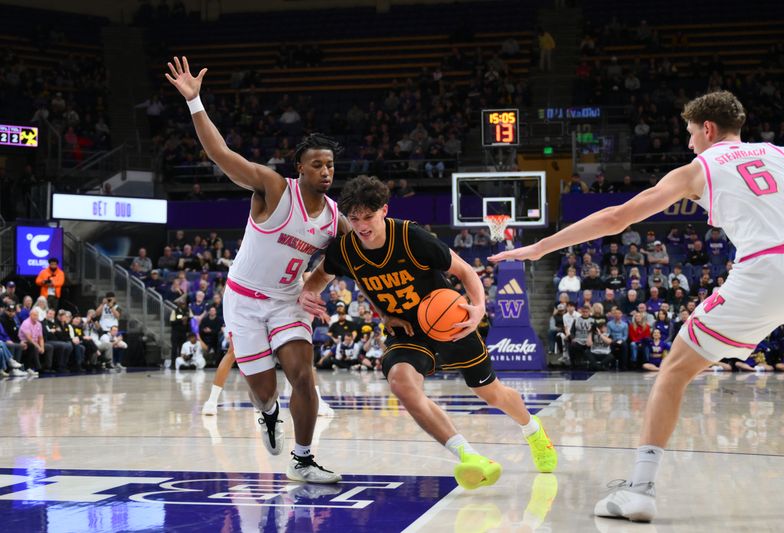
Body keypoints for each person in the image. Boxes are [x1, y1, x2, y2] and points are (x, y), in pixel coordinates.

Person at [490, 90, 784, 522]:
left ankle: (640, 488)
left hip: (764, 269)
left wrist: (540, 247)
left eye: (692, 134)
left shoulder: (699, 167)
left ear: (707, 129)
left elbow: (617, 217)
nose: (690, 143)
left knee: (673, 371)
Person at [299, 175, 557, 490]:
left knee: (492, 393)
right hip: (406, 331)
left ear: (384, 210)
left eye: (368, 216)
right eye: (354, 219)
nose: (362, 224)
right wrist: (308, 294)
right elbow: (318, 279)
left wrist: (477, 308)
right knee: (401, 384)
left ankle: (533, 430)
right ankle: (470, 457)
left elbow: (464, 270)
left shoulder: (411, 237)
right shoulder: (345, 249)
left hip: (449, 323)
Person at [166, 55, 344, 483]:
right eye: (317, 164)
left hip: (287, 302)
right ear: (300, 166)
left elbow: (339, 261)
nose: (325, 171)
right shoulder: (273, 188)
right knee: (265, 392)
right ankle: (268, 414)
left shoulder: (335, 217)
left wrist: (313, 287)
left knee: (303, 376)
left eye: (331, 165)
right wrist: (194, 102)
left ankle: (302, 460)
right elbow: (220, 152)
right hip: (243, 300)